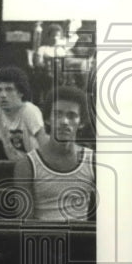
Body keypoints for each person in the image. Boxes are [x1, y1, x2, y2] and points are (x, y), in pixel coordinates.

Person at [13, 86, 95, 221]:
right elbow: (25, 222)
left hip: (82, 239)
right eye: (58, 114)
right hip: (43, 239)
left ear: (81, 123)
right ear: (47, 119)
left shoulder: (93, 161)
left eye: (72, 116)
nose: (64, 122)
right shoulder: (27, 165)